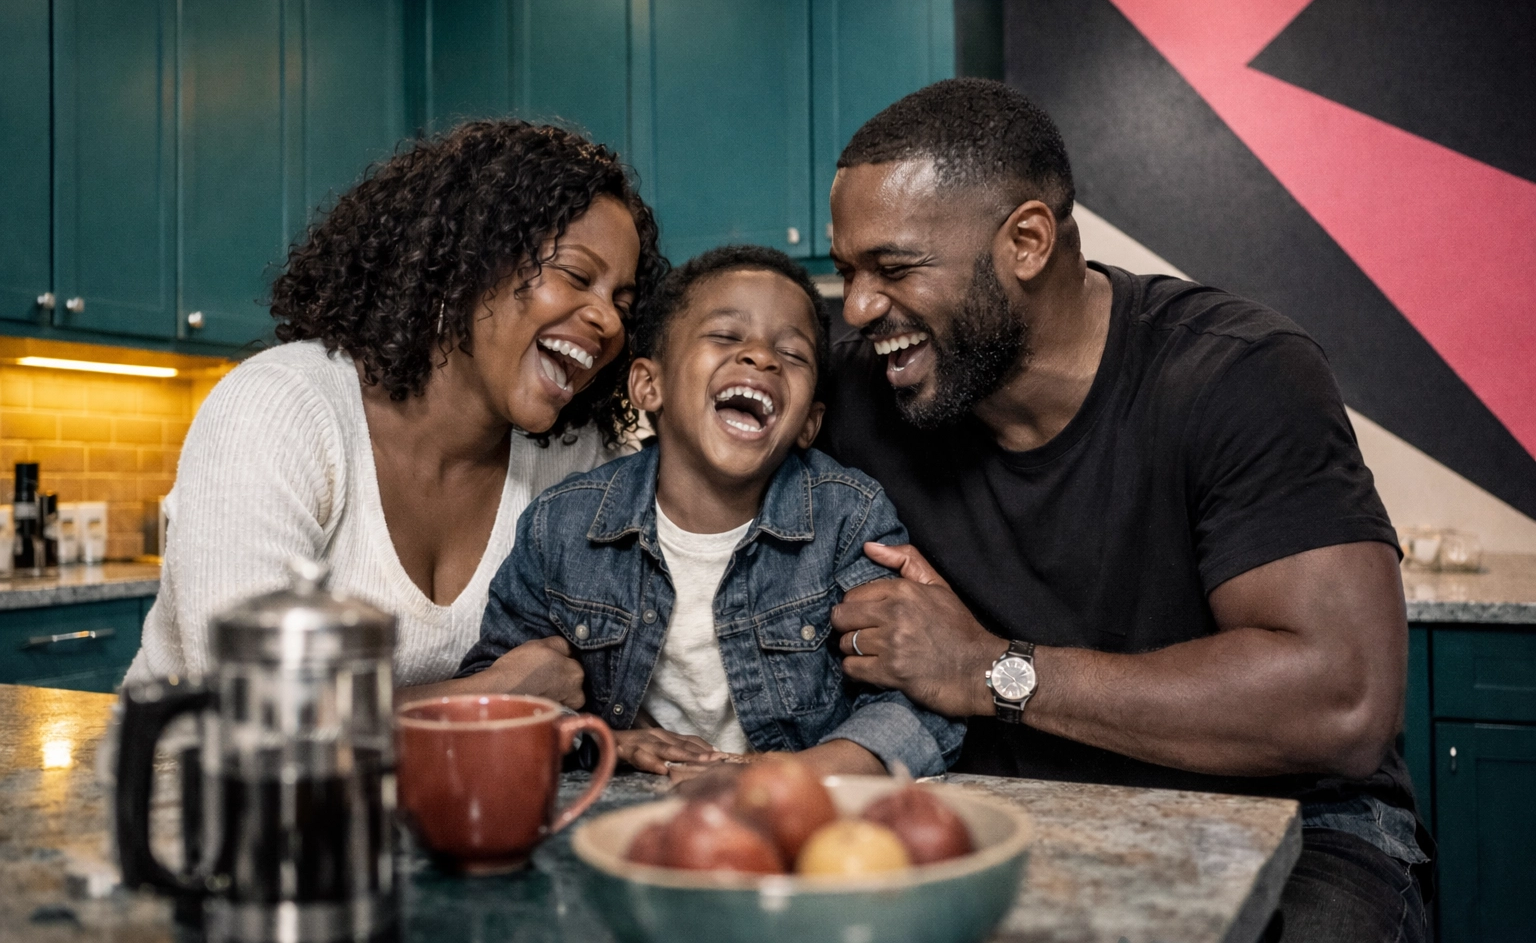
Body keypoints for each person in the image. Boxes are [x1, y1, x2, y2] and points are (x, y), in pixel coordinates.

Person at [817, 79, 1429, 942]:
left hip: (1297, 823)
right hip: (1006, 812)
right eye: (847, 271)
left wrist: (988, 669)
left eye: (894, 267)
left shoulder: (1238, 373)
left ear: (1027, 241)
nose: (857, 307)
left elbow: (1341, 704)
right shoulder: (864, 386)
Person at [126, 120, 668, 708]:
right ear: (466, 261)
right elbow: (251, 702)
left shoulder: (572, 456)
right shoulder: (280, 408)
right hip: (180, 766)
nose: (608, 321)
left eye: (622, 304)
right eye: (577, 276)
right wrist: (482, 700)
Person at [458, 246, 964, 780]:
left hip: (803, 810)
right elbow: (502, 697)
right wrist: (607, 743)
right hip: (633, 814)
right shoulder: (561, 525)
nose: (762, 358)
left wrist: (786, 777)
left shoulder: (849, 517)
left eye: (792, 354)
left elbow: (919, 701)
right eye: (725, 336)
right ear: (648, 385)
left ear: (809, 424)